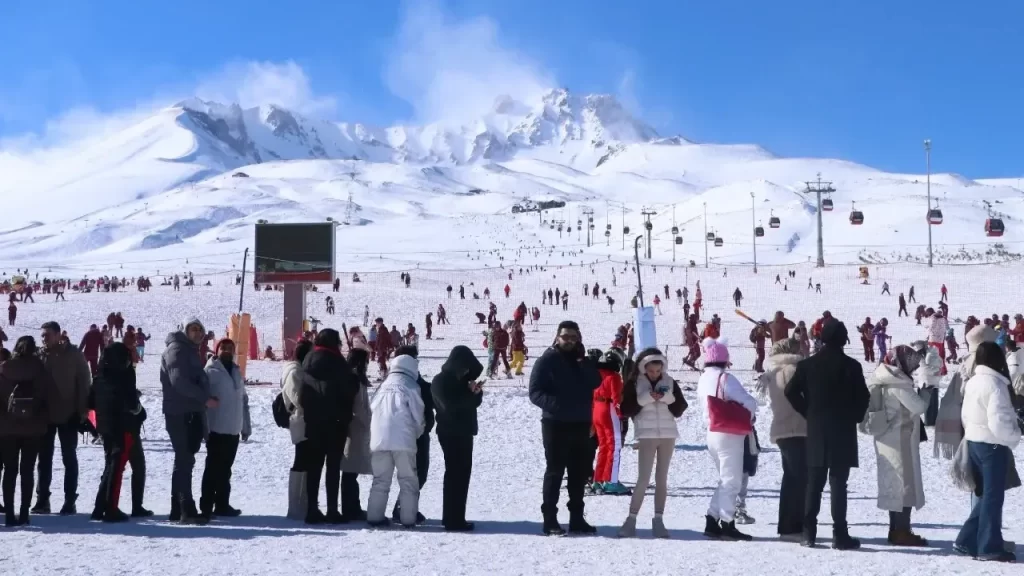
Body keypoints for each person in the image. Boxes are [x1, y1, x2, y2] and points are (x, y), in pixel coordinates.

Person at [785, 319, 870, 549]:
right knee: (838, 484)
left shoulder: (807, 366)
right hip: (843, 431)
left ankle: (808, 532)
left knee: (814, 483)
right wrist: (855, 416)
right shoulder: (852, 366)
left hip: (817, 430)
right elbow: (864, 397)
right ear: (843, 340)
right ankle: (840, 534)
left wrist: (808, 413)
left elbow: (790, 391)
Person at [529, 321, 601, 536]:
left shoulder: (582, 360)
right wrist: (557, 406)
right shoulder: (547, 360)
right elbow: (535, 392)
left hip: (580, 423)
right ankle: (549, 519)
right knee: (555, 471)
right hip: (555, 424)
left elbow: (595, 383)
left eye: (573, 337)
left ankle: (577, 518)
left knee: (578, 473)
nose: (569, 340)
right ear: (557, 337)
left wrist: (585, 362)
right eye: (565, 336)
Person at [955, 341, 1021, 562]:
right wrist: (1014, 436)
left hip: (974, 441)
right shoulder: (995, 384)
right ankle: (989, 547)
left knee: (987, 496)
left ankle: (967, 539)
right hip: (993, 445)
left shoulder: (974, 381)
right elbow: (999, 420)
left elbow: (965, 413)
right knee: (993, 497)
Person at [860, 345, 930, 546]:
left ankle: (896, 529)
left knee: (894, 485)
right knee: (903, 487)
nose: (914, 368)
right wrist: (925, 393)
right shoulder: (898, 385)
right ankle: (901, 531)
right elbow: (919, 407)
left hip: (886, 439)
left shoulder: (883, 379)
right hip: (900, 441)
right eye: (912, 363)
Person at [618, 348, 687, 539]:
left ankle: (658, 519)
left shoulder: (670, 382)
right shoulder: (634, 383)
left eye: (658, 371)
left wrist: (667, 398)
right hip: (646, 435)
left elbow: (680, 407)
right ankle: (631, 520)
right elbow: (626, 408)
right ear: (644, 368)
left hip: (668, 435)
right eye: (651, 371)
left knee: (662, 478)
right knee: (643, 479)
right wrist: (645, 399)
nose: (655, 374)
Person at [697, 339, 757, 541]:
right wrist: (751, 410)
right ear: (725, 360)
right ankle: (727, 523)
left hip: (711, 432)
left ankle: (712, 520)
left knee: (725, 479)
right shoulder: (725, 378)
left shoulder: (703, 378)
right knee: (732, 481)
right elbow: (748, 402)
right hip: (729, 434)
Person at [160, 317, 216, 525]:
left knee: (183, 460)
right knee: (184, 461)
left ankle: (178, 507)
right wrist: (205, 398)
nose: (197, 334)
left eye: (200, 330)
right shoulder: (178, 350)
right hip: (180, 413)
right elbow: (179, 382)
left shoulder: (188, 350)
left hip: (188, 412)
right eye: (193, 330)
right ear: (185, 331)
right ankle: (186, 508)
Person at [35, 321, 92, 516]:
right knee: (43, 459)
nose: (44, 338)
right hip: (44, 415)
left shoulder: (74, 355)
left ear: (59, 335)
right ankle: (42, 499)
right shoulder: (39, 355)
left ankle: (70, 500)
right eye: (42, 335)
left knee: (69, 458)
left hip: (69, 415)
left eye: (48, 335)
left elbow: (85, 382)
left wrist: (83, 410)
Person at [301, 329, 357, 524]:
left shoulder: (308, 359)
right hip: (335, 422)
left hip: (313, 421)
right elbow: (348, 389)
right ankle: (332, 509)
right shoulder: (338, 362)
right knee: (332, 467)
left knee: (314, 466)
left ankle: (312, 508)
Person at [89, 342, 147, 522]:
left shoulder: (99, 377)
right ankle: (111, 508)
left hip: (106, 427)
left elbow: (91, 403)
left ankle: (100, 507)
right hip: (124, 427)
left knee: (112, 466)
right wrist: (140, 411)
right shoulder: (123, 376)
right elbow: (131, 404)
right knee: (117, 467)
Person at [755, 338, 806, 541]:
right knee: (798, 480)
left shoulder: (773, 372)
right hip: (798, 427)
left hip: (782, 428)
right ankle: (791, 527)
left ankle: (790, 525)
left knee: (791, 478)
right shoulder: (794, 370)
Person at [366, 354, 424, 528]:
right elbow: (418, 415)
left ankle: (374, 517)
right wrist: (417, 433)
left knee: (380, 479)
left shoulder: (382, 386)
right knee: (408, 480)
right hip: (403, 440)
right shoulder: (411, 386)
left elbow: (372, 409)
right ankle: (408, 519)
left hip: (378, 440)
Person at [0, 336, 51, 527]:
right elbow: (47, 398)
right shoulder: (40, 369)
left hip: (6, 429)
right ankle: (24, 513)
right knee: (27, 471)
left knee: (10, 471)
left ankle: (9, 515)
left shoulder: (5, 368)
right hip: (33, 428)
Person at [431, 345, 484, 532]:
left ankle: (456, 517)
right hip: (451, 433)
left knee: (462, 476)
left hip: (464, 432)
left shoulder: (461, 380)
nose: (466, 372)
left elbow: (471, 404)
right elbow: (450, 406)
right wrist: (470, 395)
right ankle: (453, 520)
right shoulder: (441, 380)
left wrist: (475, 392)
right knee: (455, 476)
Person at [200, 339, 250, 518]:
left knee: (226, 469)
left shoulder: (237, 371)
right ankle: (206, 504)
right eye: (224, 347)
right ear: (217, 350)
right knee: (213, 468)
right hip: (216, 428)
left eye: (230, 348)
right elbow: (202, 398)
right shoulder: (210, 371)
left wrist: (246, 426)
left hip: (233, 428)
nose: (227, 350)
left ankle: (222, 504)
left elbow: (243, 400)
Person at [390, 345, 434, 525]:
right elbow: (426, 394)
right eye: (415, 358)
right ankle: (403, 509)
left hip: (404, 432)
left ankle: (405, 507)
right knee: (417, 473)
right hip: (414, 433)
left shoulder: (396, 377)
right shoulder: (410, 379)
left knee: (413, 473)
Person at [281, 339, 313, 521]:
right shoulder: (294, 372)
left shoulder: (298, 370)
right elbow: (298, 398)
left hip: (303, 420)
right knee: (301, 461)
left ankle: (303, 503)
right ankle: (296, 506)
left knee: (305, 461)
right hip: (300, 421)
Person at [592, 349, 629, 496]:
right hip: (608, 410)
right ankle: (612, 481)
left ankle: (598, 479)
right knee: (614, 445)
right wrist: (620, 414)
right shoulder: (613, 377)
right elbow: (616, 397)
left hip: (596, 410)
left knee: (603, 447)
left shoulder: (596, 375)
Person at [341, 346, 371, 522]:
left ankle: (352, 506)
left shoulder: (351, 378)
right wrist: (369, 422)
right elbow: (359, 407)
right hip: (355, 428)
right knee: (350, 470)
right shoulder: (354, 380)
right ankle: (350, 507)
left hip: (353, 427)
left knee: (351, 471)